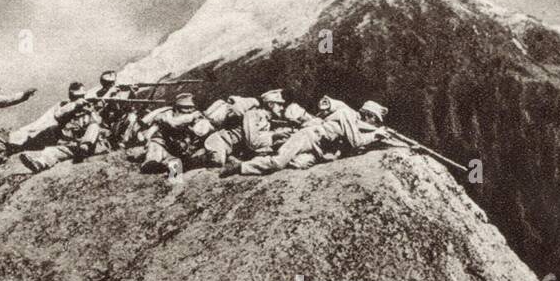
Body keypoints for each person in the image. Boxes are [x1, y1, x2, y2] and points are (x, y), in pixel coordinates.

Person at [223, 98, 390, 177]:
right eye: (374, 119)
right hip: (308, 137)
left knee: (299, 164)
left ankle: (257, 158)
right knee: (279, 162)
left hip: (317, 146)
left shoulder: (354, 120)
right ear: (368, 115)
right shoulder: (348, 114)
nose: (374, 122)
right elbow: (356, 142)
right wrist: (375, 135)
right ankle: (240, 166)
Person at [17, 82, 103, 173]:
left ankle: (84, 147)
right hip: (71, 145)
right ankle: (39, 164)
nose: (79, 98)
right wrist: (75, 105)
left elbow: (97, 123)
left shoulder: (89, 108)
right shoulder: (65, 106)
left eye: (81, 96)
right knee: (50, 152)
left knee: (94, 126)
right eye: (76, 97)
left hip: (89, 144)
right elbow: (58, 115)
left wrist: (90, 108)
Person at [139, 92, 214, 175]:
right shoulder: (166, 115)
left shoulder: (195, 117)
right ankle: (155, 163)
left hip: (183, 151)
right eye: (186, 108)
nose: (189, 110)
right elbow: (173, 123)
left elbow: (205, 129)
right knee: (155, 149)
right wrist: (190, 118)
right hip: (165, 146)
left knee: (176, 169)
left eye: (191, 108)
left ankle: (168, 168)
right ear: (177, 108)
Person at [203, 90, 281, 167]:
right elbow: (252, 143)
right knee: (216, 164)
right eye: (280, 104)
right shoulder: (252, 114)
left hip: (230, 149)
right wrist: (274, 136)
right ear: (270, 104)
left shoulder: (265, 119)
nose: (282, 108)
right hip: (219, 143)